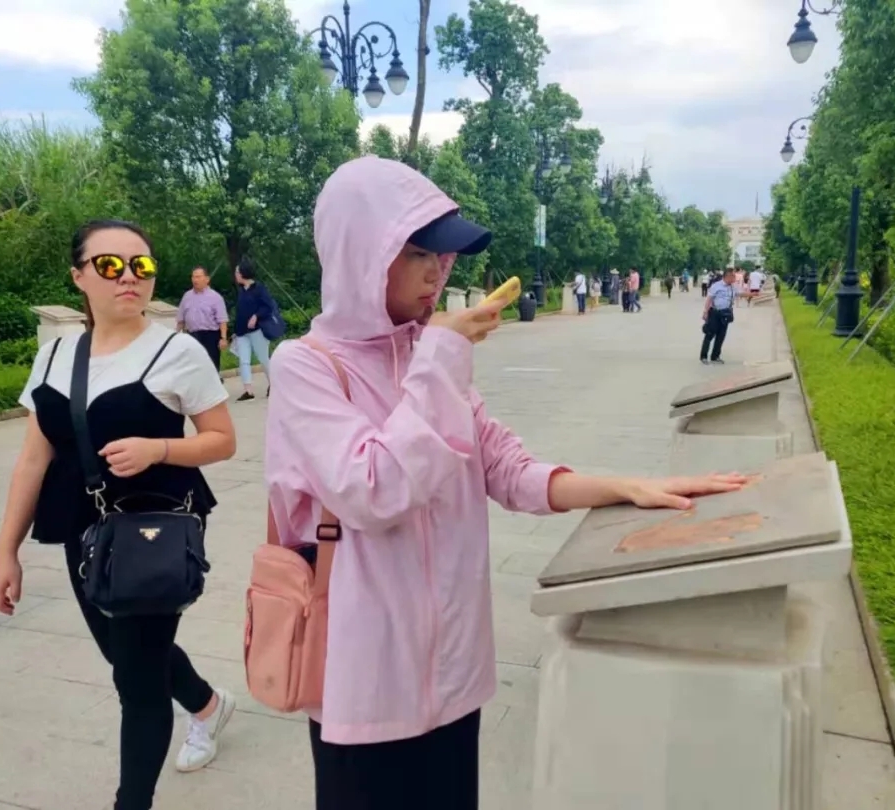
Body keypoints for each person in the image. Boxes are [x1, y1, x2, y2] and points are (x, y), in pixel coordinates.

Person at [264, 155, 747, 810]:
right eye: (418, 252)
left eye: (444, 255)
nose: (438, 271)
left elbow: (510, 470)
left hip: (454, 675)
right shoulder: (307, 368)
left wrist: (626, 487)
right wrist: (440, 358)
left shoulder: (431, 357)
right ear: (360, 253)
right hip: (367, 682)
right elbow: (372, 489)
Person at [0, 219, 240, 810]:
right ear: (79, 277)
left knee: (136, 681)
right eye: (109, 265)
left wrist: (160, 449)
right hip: (83, 528)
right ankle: (208, 704)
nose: (129, 277)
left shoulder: (177, 351)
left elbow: (223, 440)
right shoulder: (54, 355)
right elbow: (33, 459)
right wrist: (6, 551)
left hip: (154, 529)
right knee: (121, 651)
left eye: (141, 265)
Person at [233, 256, 276, 401]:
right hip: (242, 332)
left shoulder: (259, 289)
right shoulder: (241, 290)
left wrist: (256, 316)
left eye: (237, 272)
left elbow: (268, 307)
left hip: (257, 331)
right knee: (244, 360)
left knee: (264, 359)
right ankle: (248, 390)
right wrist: (235, 330)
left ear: (243, 273)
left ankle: (274, 384)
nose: (236, 275)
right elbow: (240, 312)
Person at [177, 266, 229, 373]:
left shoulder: (215, 297)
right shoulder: (187, 296)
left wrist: (223, 338)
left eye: (198, 277)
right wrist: (177, 336)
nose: (195, 280)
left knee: (211, 364)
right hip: (192, 335)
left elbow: (222, 320)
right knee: (194, 365)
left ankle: (213, 381)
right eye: (193, 277)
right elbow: (181, 319)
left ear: (207, 279)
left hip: (210, 336)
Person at [701, 267, 737, 364]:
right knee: (709, 334)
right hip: (715, 313)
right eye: (733, 276)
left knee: (721, 336)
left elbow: (740, 293)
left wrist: (755, 294)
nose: (734, 278)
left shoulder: (733, 287)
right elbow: (709, 299)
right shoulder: (716, 286)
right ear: (728, 276)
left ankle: (715, 356)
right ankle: (704, 356)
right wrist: (705, 312)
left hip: (725, 314)